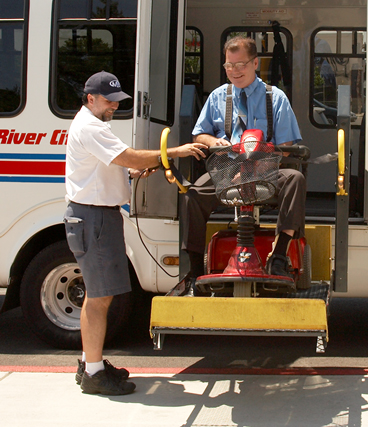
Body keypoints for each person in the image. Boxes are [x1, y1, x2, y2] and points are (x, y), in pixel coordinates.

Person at [64, 71, 206, 395]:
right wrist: (175, 152)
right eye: (109, 100)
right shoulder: (90, 127)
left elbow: (116, 164)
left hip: (96, 216)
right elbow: (127, 156)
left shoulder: (93, 124)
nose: (114, 106)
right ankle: (94, 374)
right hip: (94, 219)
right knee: (99, 298)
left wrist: (133, 169)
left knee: (97, 295)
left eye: (117, 101)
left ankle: (90, 364)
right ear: (90, 98)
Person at [182, 37, 306, 288]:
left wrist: (253, 169)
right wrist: (212, 141)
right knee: (192, 194)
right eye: (229, 65)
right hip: (227, 170)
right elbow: (199, 135)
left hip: (267, 170)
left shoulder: (276, 98)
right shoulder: (217, 96)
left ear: (255, 63)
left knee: (295, 180)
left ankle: (279, 256)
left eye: (240, 65)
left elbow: (286, 147)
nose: (234, 71)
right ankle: (194, 269)